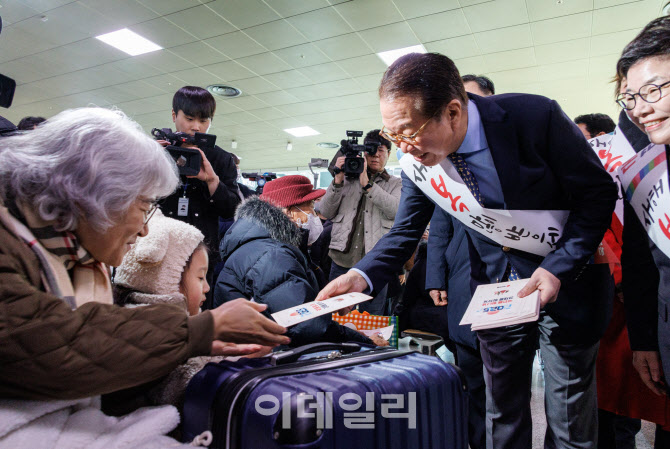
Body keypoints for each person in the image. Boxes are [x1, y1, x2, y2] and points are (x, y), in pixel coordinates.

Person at [317, 52, 617, 449]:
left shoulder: (534, 117)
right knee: (500, 414)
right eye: (394, 137)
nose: (404, 149)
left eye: (408, 132)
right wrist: (362, 274)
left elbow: (597, 195)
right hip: (494, 291)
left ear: (454, 112)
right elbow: (405, 230)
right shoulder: (419, 164)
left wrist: (557, 266)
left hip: (567, 285)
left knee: (569, 420)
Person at [0, 108, 288, 442]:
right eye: (143, 206)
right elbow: (48, 344)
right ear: (94, 198)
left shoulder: (70, 257)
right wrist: (199, 330)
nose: (144, 229)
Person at [214, 175, 387, 347]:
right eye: (310, 208)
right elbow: (307, 325)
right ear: (287, 212)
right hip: (265, 357)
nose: (314, 215)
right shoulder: (273, 255)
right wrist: (362, 340)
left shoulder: (262, 246)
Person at [617, 15, 670, 448]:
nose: (641, 108)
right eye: (631, 97)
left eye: (654, 89)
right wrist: (645, 341)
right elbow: (640, 266)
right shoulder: (642, 175)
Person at [157, 86, 241, 310]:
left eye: (204, 120)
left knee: (198, 315)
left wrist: (213, 181)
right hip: (159, 250)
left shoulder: (221, 159)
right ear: (174, 116)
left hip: (201, 256)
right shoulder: (157, 153)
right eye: (189, 118)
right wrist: (148, 163)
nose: (196, 126)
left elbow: (231, 210)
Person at [316, 130, 402, 315]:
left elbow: (395, 210)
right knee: (335, 314)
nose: (376, 155)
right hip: (341, 260)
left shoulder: (396, 183)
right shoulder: (346, 180)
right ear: (363, 153)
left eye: (381, 150)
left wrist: (367, 185)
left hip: (375, 263)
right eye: (371, 151)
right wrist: (337, 180)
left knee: (370, 317)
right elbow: (324, 212)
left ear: (388, 153)